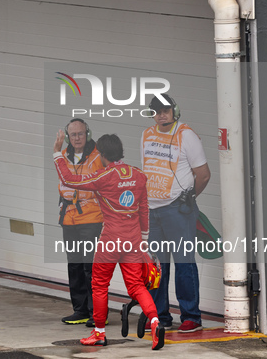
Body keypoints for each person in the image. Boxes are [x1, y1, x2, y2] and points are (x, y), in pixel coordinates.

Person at [54, 132, 165, 350]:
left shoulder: (103, 176)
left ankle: (99, 333)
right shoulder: (139, 175)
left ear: (102, 154)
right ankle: (155, 322)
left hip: (111, 240)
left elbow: (69, 180)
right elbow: (144, 210)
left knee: (99, 285)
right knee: (135, 285)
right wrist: (143, 240)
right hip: (133, 240)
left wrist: (58, 153)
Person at [140, 94, 211, 333]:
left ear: (175, 110)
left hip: (178, 210)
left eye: (166, 110)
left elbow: (203, 175)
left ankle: (191, 316)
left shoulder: (186, 135)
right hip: (153, 209)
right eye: (157, 110)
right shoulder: (146, 135)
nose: (161, 114)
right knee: (157, 266)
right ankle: (160, 315)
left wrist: (188, 199)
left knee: (184, 263)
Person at [57, 118, 104, 327]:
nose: (77, 138)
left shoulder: (97, 156)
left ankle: (97, 313)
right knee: (75, 266)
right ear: (68, 137)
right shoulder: (63, 156)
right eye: (73, 134)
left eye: (81, 134)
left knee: (91, 267)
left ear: (88, 134)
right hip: (69, 217)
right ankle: (81, 310)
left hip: (91, 218)